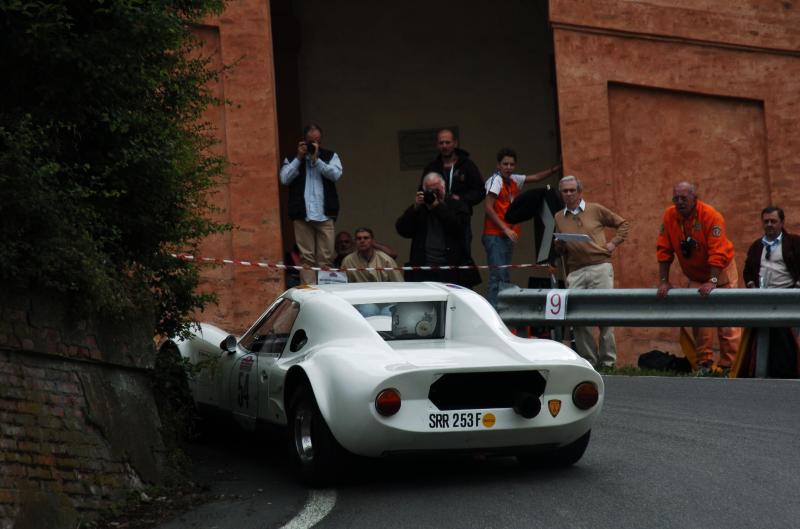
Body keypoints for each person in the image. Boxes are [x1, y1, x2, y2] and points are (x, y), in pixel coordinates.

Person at [656, 181, 741, 374]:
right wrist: (664, 281)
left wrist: (712, 281)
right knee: (699, 320)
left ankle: (730, 365)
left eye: (683, 198)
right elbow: (663, 249)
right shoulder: (669, 216)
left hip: (721, 273)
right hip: (696, 274)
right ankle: (704, 364)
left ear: (695, 198)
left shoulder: (711, 216)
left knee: (726, 321)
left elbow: (718, 252)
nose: (679, 202)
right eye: (675, 198)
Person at [553, 175, 630, 368]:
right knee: (579, 320)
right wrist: (560, 245)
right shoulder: (558, 217)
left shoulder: (595, 209)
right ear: (561, 194)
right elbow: (560, 250)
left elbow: (623, 224)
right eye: (565, 191)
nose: (569, 194)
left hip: (600, 267)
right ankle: (589, 362)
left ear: (580, 192)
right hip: (575, 271)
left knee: (605, 315)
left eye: (572, 190)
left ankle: (608, 363)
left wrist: (613, 244)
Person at [482, 147, 561, 308]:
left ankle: (501, 312)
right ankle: (495, 314)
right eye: (505, 164)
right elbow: (488, 208)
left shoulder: (513, 179)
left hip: (508, 235)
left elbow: (537, 177)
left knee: (504, 275)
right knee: (498, 276)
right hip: (495, 234)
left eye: (512, 164)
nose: (509, 167)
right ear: (498, 165)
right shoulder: (495, 180)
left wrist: (556, 168)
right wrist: (505, 229)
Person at [279, 123, 343, 284]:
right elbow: (284, 178)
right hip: (302, 215)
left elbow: (335, 175)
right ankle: (309, 292)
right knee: (306, 258)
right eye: (310, 142)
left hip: (325, 214)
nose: (314, 145)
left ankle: (327, 290)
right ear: (303, 141)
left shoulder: (330, 156)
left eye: (317, 142)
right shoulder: (293, 158)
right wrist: (299, 158)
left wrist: (318, 160)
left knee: (326, 258)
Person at [742, 206, 800, 377]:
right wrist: (751, 284)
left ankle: (789, 372)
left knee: (786, 338)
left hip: (787, 296)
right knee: (764, 336)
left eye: (773, 221)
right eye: (766, 221)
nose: (769, 225)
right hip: (763, 298)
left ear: (782, 223)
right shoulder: (756, 246)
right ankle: (763, 371)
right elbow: (747, 270)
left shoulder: (794, 243)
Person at [396, 172, 481, 288]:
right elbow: (402, 230)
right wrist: (414, 208)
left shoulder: (457, 205)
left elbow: (459, 229)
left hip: (452, 270)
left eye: (437, 190)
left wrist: (437, 207)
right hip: (424, 269)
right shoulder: (420, 209)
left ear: (444, 187)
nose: (434, 194)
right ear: (424, 190)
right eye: (430, 191)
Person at [421, 129, 484, 252]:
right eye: (441, 143)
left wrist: (462, 200)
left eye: (447, 142)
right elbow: (422, 190)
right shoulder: (432, 167)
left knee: (462, 256)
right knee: (438, 257)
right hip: (437, 219)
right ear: (437, 145)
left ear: (455, 143)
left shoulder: (467, 165)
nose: (444, 146)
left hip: (460, 218)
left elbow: (480, 191)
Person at [334, 230, 399, 268]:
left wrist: (372, 243)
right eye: (340, 242)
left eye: (346, 242)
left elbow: (393, 255)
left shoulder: (379, 257)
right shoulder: (334, 262)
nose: (343, 245)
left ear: (353, 243)